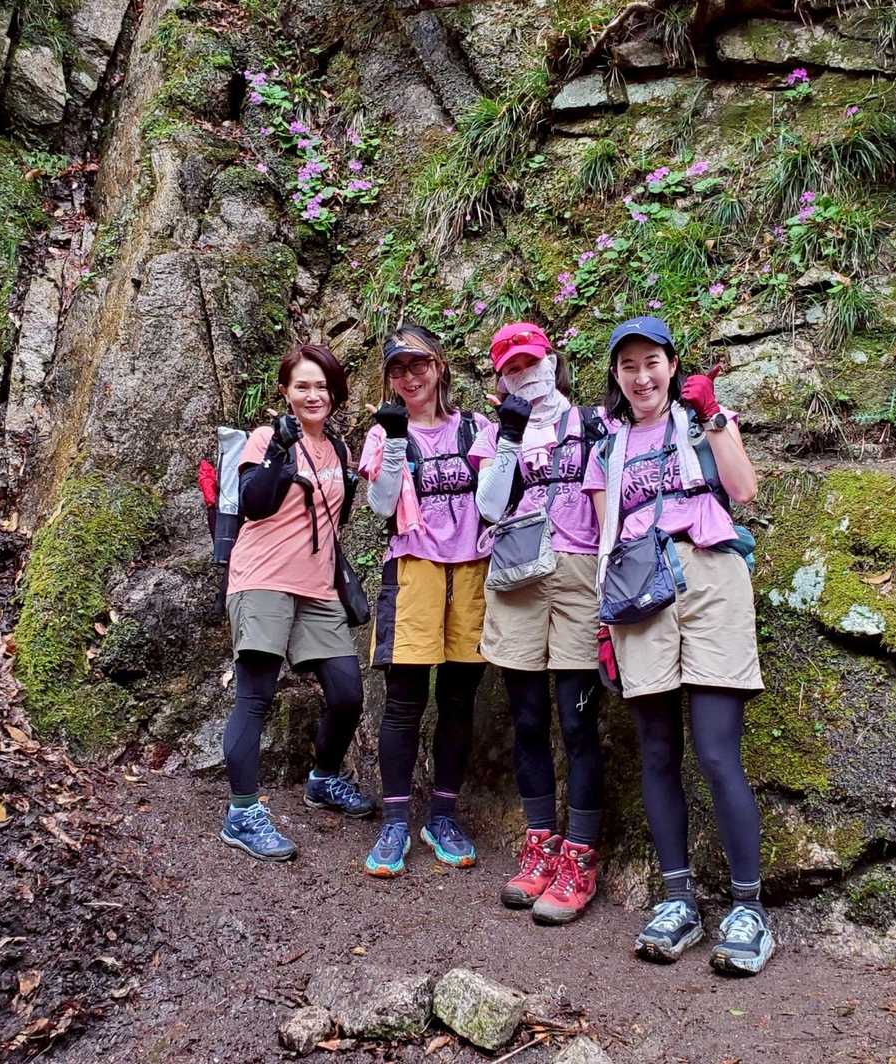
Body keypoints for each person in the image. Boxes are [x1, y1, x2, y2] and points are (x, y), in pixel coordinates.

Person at [581, 316, 774, 975]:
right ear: (616, 376)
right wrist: (602, 626)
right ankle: (678, 899)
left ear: (671, 365)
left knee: (717, 751)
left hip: (710, 577)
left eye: (652, 362)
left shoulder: (703, 423)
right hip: (638, 592)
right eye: (628, 365)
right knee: (658, 751)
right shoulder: (607, 449)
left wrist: (714, 416)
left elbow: (743, 490)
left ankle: (748, 908)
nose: (642, 376)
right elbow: (603, 540)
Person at [469, 323, 610, 926]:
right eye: (511, 368)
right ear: (500, 379)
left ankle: (580, 856)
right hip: (517, 572)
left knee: (578, 723)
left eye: (531, 362)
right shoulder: (495, 432)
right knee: (527, 719)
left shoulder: (594, 423)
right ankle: (539, 845)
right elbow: (488, 506)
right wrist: (509, 434)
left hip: (579, 574)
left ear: (552, 361)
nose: (524, 374)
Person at [219, 344, 373, 862]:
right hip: (262, 578)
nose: (313, 395)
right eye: (302, 386)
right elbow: (254, 503)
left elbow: (338, 516)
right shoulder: (266, 439)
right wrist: (278, 453)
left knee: (347, 693)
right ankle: (242, 813)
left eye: (321, 386)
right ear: (285, 391)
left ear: (335, 393)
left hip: (318, 587)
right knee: (256, 695)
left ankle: (323, 779)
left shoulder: (339, 450)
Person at [357, 324, 489, 877]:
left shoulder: (475, 428)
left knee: (459, 699)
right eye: (398, 369)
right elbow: (380, 505)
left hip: (473, 568)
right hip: (413, 569)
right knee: (405, 700)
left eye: (418, 365)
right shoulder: (384, 431)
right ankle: (394, 821)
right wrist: (392, 446)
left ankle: (442, 815)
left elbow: (496, 498)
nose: (410, 377)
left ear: (439, 366)